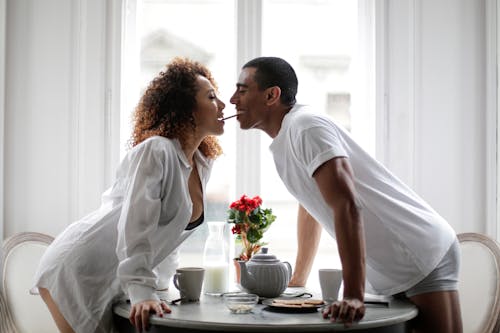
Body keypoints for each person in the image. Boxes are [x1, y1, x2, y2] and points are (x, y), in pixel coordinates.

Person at [229, 56, 462, 333]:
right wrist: (299, 279)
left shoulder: (306, 126)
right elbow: (312, 205)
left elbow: (346, 204)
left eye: (242, 90)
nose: (233, 100)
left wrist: (353, 294)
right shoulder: (284, 141)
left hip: (419, 251)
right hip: (391, 265)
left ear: (271, 95)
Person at [33, 57, 227, 333]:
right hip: (77, 267)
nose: (222, 104)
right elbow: (136, 227)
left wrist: (160, 289)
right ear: (188, 110)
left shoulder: (201, 163)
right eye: (211, 97)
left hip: (114, 276)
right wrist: (142, 292)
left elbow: (167, 239)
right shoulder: (157, 151)